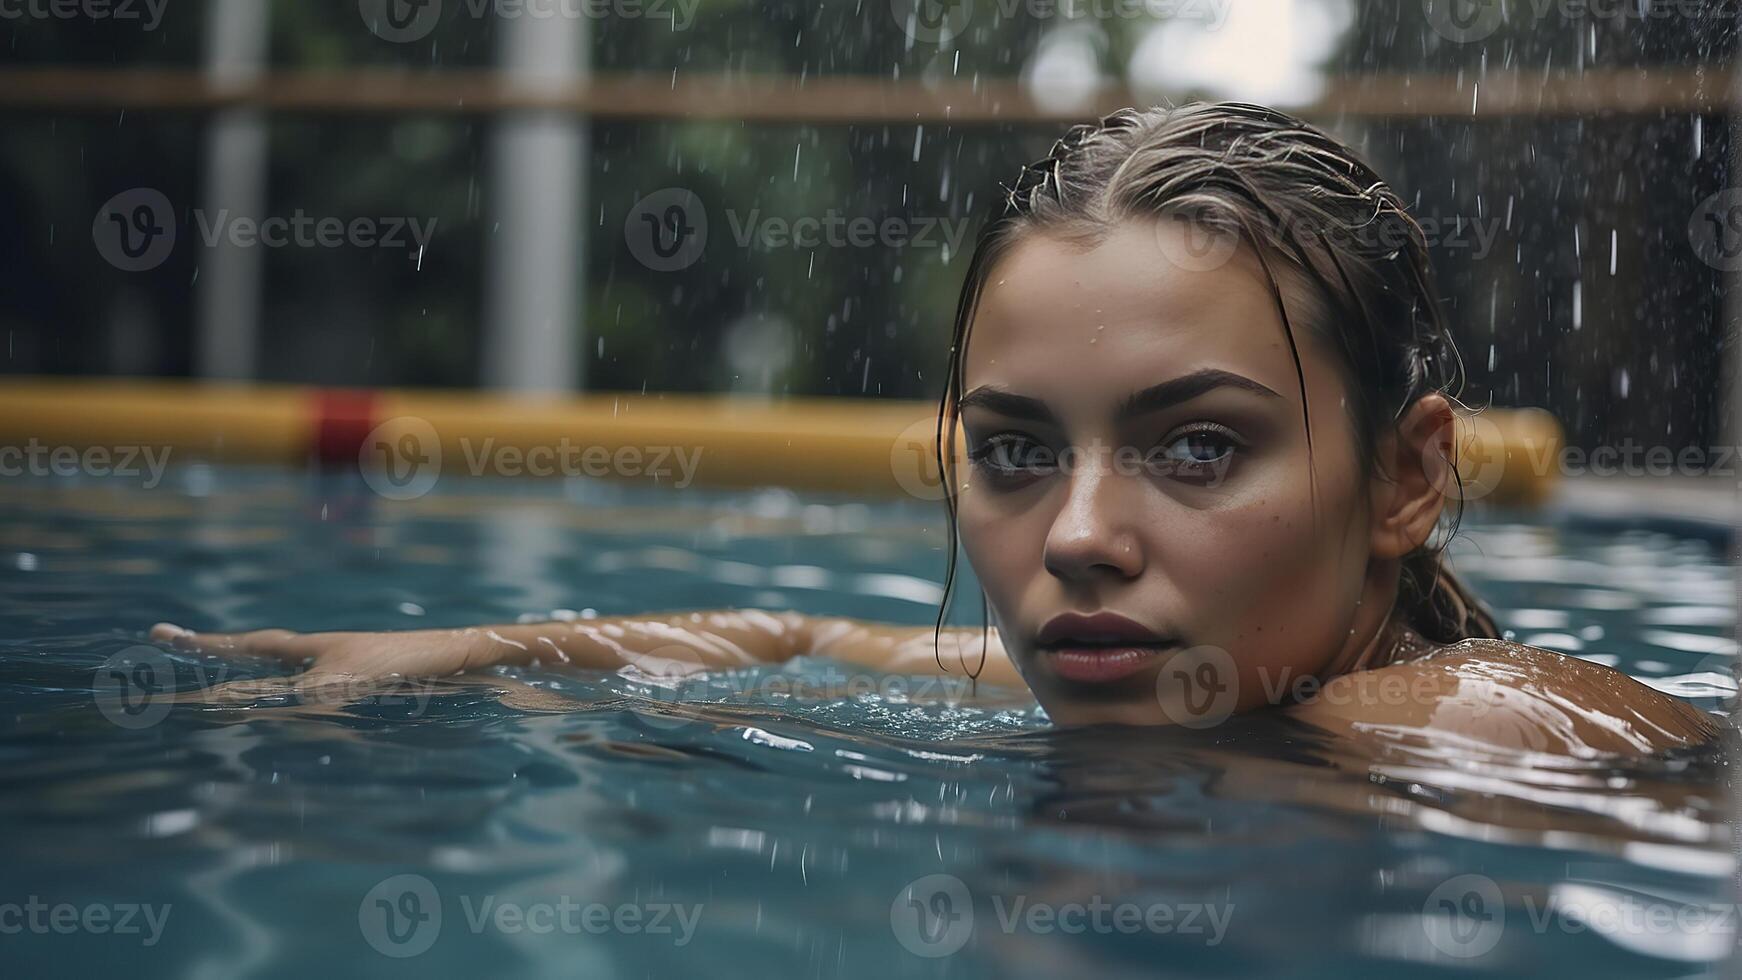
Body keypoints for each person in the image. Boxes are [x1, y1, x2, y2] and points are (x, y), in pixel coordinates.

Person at [152, 103, 1717, 755]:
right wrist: (459, 648)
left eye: (1194, 448)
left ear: (1403, 479)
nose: (1079, 537)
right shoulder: (1198, 672)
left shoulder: (1459, 731)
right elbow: (785, 630)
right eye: (1017, 452)